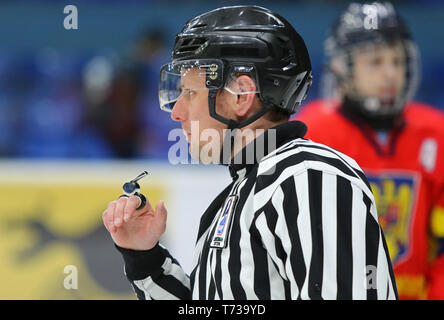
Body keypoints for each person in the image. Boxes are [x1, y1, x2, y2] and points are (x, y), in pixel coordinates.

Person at [102, 5, 397, 300]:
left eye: (190, 93)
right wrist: (145, 258)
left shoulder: (309, 178)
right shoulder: (244, 192)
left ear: (241, 96)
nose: (176, 112)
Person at [294, 2, 444, 299]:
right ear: (342, 67)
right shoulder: (310, 133)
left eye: (398, 62)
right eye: (375, 62)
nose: (390, 74)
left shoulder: (436, 133)